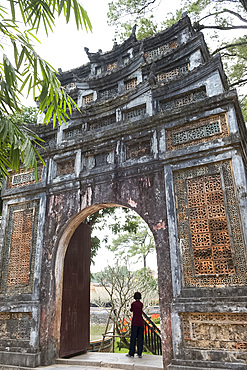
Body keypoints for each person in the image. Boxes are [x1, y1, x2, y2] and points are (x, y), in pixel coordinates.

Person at [126, 292, 144, 358]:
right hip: (141, 323)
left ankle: (131, 353)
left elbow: (131, 310)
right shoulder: (141, 304)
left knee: (133, 338)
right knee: (140, 338)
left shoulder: (133, 304)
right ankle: (139, 353)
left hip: (135, 323)